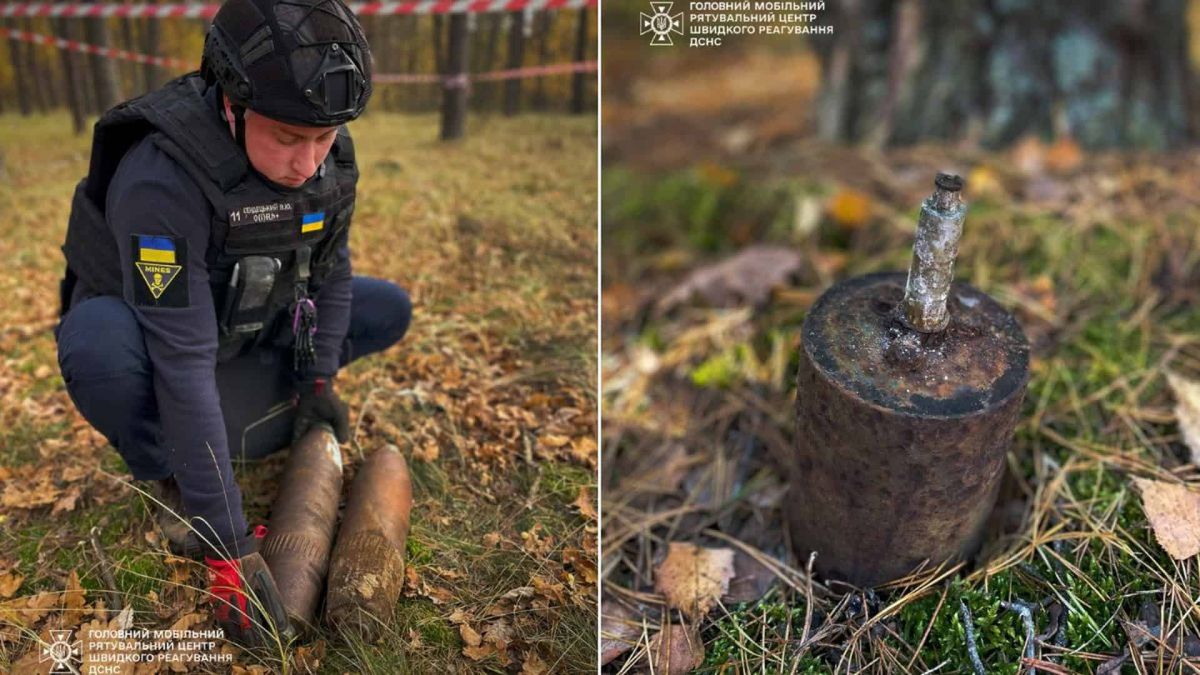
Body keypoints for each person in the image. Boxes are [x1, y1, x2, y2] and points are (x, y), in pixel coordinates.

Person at [54, 0, 411, 646]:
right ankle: (168, 465)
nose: (308, 162)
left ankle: (253, 421)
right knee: (96, 342)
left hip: (244, 329)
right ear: (231, 101)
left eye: (322, 139)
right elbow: (181, 358)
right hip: (165, 353)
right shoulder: (164, 177)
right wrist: (229, 545)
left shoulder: (326, 154)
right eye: (286, 138)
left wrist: (320, 380)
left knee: (385, 305)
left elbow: (326, 277)